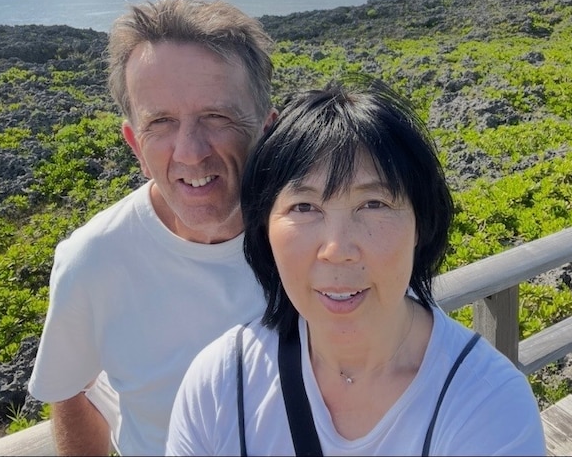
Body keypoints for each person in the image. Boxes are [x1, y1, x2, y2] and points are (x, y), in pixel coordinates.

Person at [166, 76, 546, 456]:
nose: (337, 249)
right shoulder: (220, 386)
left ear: (421, 224)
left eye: (373, 204)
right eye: (304, 207)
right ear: (264, 229)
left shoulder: (488, 405)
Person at [27, 0, 277, 456]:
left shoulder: (315, 238)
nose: (190, 151)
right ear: (135, 145)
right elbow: (71, 391)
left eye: (216, 116)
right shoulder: (94, 260)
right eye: (160, 122)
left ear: (266, 127)